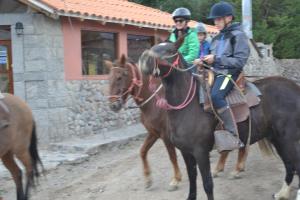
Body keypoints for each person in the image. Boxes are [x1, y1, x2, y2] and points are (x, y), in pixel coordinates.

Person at [201, 1, 250, 151]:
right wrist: (203, 62)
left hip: (229, 73)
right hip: (215, 72)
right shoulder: (216, 38)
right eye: (214, 20)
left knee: (216, 96)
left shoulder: (239, 35)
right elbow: (213, 59)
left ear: (228, 18)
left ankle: (233, 135)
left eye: (218, 19)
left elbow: (240, 61)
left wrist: (216, 59)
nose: (215, 22)